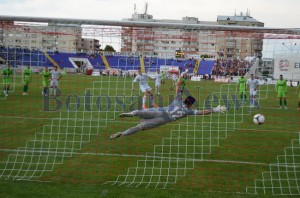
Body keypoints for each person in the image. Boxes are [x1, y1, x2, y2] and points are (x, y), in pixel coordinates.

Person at [110, 69, 226, 139]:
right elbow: (202, 112)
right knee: (140, 127)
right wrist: (215, 110)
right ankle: (122, 133)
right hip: (164, 120)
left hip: (160, 111)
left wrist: (182, 75)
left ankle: (131, 113)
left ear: (185, 100)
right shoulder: (188, 111)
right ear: (190, 105)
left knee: (140, 112)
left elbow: (178, 86)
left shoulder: (178, 100)